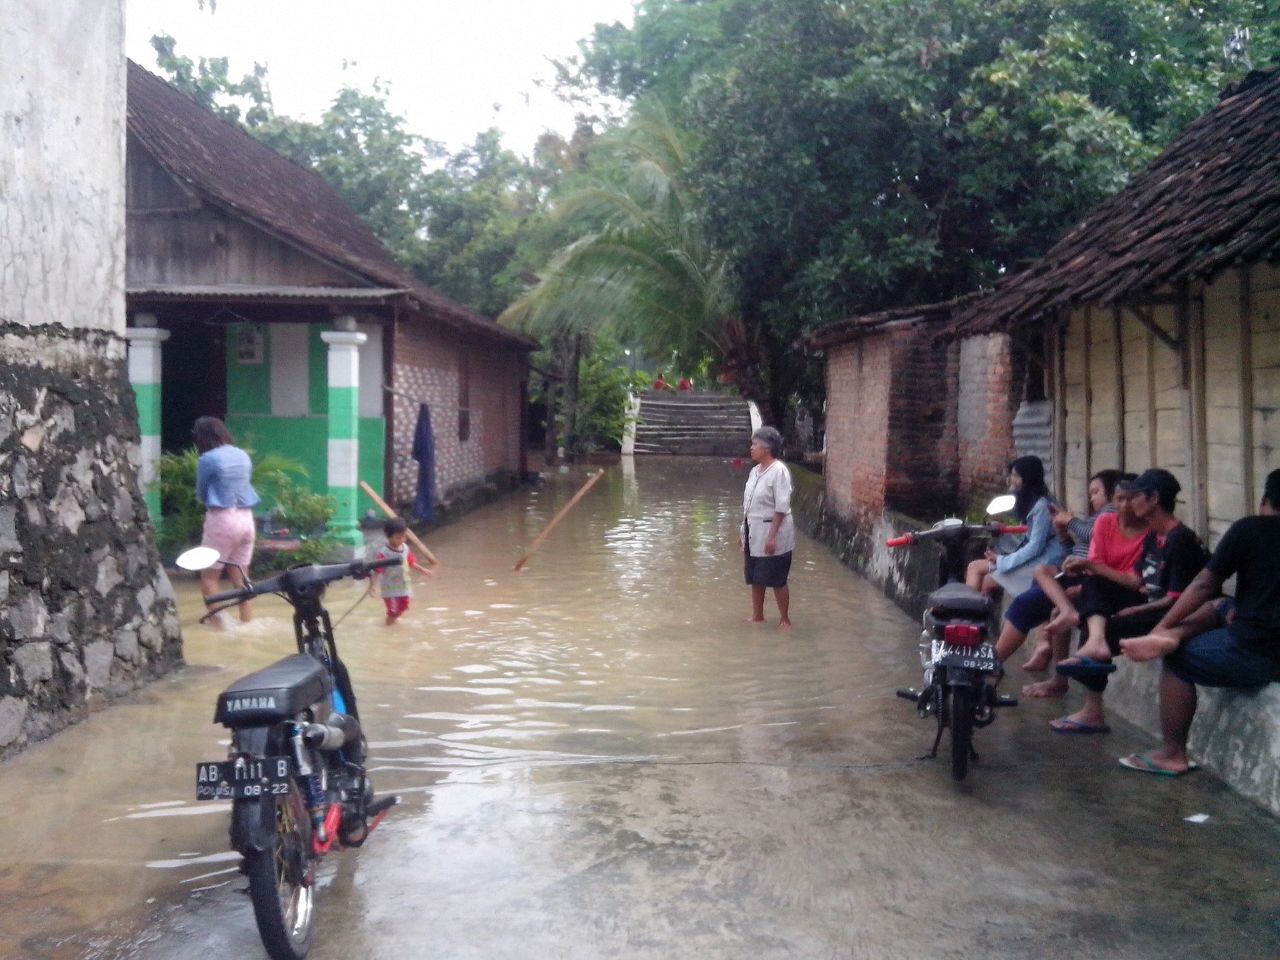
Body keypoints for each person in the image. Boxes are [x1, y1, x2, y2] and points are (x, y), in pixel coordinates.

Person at [1118, 469, 1280, 775]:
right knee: (1220, 604)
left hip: (1259, 649)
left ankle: (1172, 753)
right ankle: (1173, 635)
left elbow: (1203, 583)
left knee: (1179, 660)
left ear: (1266, 499)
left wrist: (1160, 626)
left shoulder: (1251, 529)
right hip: (1263, 635)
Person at [1051, 469, 1209, 734]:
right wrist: (1091, 566)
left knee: (1108, 625)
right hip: (1150, 602)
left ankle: (1093, 708)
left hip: (1175, 613)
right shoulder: (1153, 535)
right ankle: (1096, 644)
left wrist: (1138, 608)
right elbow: (1137, 581)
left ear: (1153, 499)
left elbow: (1177, 601)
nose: (1126, 503)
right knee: (1094, 584)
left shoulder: (1179, 539)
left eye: (1134, 496)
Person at [993, 470, 1129, 697]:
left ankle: (993, 661)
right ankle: (1057, 675)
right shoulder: (1099, 516)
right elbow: (1078, 550)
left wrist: (1071, 520)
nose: (1092, 498)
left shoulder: (1111, 514)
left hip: (1093, 581)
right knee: (1041, 582)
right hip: (1076, 575)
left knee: (1026, 606)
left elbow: (1095, 536)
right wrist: (1063, 534)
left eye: (1096, 492)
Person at [965, 456, 1065, 597]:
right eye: (1012, 475)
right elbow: (1028, 537)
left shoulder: (1041, 506)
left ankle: (969, 615)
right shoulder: (1031, 502)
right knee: (976, 569)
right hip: (1035, 559)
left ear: (1028, 479)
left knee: (980, 573)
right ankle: (976, 614)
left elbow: (1035, 547)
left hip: (1044, 562)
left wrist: (1002, 561)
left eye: (1016, 476)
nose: (1012, 480)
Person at [192, 417, 260, 625]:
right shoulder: (242, 455)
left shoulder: (208, 459)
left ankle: (219, 628)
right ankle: (247, 622)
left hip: (222, 520)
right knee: (242, 580)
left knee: (210, 577)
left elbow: (202, 492)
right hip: (246, 519)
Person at [741, 425, 794, 629]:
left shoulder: (779, 471)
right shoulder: (755, 471)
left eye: (755, 444)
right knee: (756, 577)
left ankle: (785, 618)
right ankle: (757, 615)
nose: (751, 448)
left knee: (778, 578)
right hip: (753, 531)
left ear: (767, 448)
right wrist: (742, 533)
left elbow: (781, 507)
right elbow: (749, 505)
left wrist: (772, 537)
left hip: (773, 532)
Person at [370, 518, 432, 626]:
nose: (402, 540)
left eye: (404, 537)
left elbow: (410, 562)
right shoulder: (384, 553)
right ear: (389, 536)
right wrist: (372, 586)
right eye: (398, 537)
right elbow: (377, 570)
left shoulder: (405, 548)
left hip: (404, 586)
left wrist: (423, 569)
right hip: (390, 589)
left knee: (404, 606)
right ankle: (388, 626)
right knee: (393, 611)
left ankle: (392, 621)